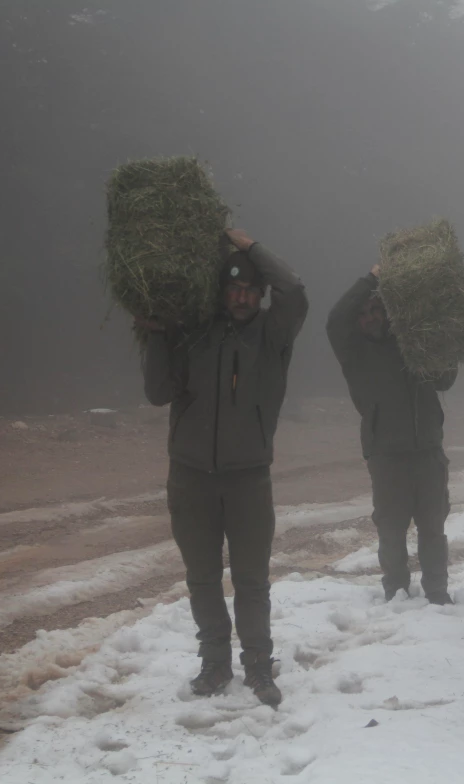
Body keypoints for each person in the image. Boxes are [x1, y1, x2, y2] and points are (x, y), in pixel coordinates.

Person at [140, 228, 308, 706]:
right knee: (202, 578)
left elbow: (294, 290)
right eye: (233, 289)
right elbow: (156, 394)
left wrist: (249, 246)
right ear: (221, 293)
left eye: (250, 291)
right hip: (190, 476)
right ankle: (214, 664)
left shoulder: (273, 337)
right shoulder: (194, 332)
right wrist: (155, 337)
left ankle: (258, 666)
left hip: (248, 479)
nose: (240, 298)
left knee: (252, 579)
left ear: (260, 296)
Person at [327, 264, 457, 605]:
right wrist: (370, 278)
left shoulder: (412, 342)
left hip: (428, 448)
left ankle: (438, 592)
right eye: (363, 313)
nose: (370, 317)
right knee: (391, 530)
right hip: (386, 454)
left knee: (433, 527)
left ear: (387, 311)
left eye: (376, 309)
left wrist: (442, 343)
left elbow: (445, 379)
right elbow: (334, 320)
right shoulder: (353, 354)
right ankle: (396, 592)